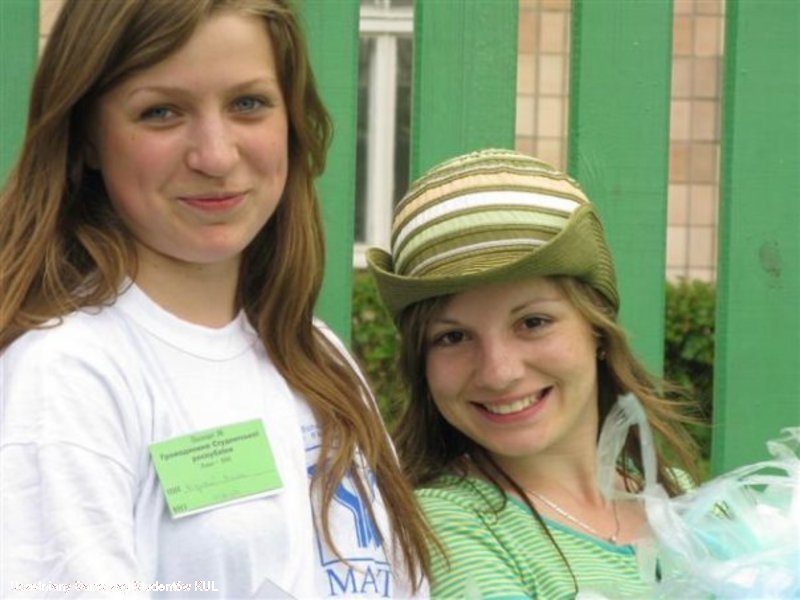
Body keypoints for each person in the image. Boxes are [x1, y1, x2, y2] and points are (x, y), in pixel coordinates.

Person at [0, 1, 430, 597]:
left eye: (248, 104)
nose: (216, 156)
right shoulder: (70, 375)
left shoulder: (319, 358)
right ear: (87, 138)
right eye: (161, 112)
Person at [367, 148, 702, 598]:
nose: (499, 372)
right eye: (453, 337)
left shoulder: (678, 497)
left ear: (597, 329)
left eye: (533, 322)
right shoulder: (449, 526)